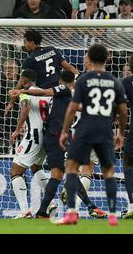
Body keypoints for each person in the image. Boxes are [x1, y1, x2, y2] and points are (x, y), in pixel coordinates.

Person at [9, 71, 107, 219]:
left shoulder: (57, 90)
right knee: (48, 169)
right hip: (51, 136)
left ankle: (28, 210)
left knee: (18, 171)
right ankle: (84, 206)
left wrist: (20, 93)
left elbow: (28, 106)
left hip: (44, 136)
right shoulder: (58, 95)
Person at [57, 44, 128, 226]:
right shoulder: (114, 81)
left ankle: (72, 213)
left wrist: (64, 131)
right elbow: (123, 110)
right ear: (106, 59)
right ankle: (113, 215)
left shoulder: (83, 80)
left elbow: (72, 107)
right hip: (104, 131)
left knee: (71, 169)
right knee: (109, 171)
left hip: (85, 129)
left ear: (88, 57)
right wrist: (120, 132)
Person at [9, 69, 51, 219]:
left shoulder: (25, 92)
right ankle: (50, 202)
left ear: (24, 79)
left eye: (20, 77)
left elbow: (26, 109)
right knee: (35, 166)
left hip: (33, 136)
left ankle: (24, 210)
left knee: (15, 170)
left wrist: (17, 130)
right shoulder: (45, 93)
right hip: (46, 136)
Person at [121, 55, 133, 219]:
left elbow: (122, 109)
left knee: (129, 164)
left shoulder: (126, 82)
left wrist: (120, 132)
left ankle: (132, 204)